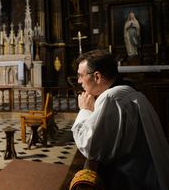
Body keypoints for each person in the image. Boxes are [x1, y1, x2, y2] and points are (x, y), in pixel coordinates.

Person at [71, 49, 169, 190]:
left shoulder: (112, 98)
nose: (79, 81)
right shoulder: (130, 91)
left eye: (81, 75)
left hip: (134, 180)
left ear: (97, 77)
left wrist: (85, 110)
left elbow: (91, 148)